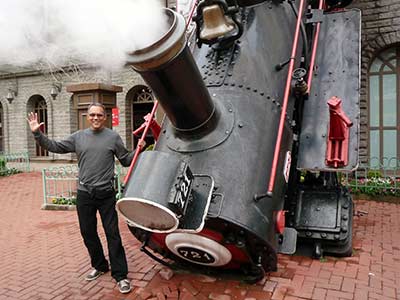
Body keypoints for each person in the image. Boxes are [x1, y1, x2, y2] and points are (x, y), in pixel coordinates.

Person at [27, 103, 144, 294]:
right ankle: (100, 265)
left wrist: (138, 150)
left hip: (105, 193)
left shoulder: (112, 137)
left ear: (104, 117)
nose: (96, 118)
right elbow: (55, 146)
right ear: (88, 117)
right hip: (84, 194)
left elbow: (125, 159)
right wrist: (37, 134)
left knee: (112, 234)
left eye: (99, 115)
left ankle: (120, 275)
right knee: (87, 232)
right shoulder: (78, 137)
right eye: (92, 115)